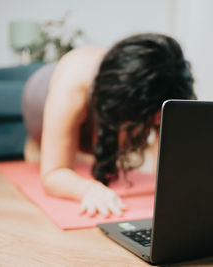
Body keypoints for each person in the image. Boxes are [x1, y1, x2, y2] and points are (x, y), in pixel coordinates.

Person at [22, 33, 196, 218]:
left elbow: (166, 177)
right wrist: (88, 189)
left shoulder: (163, 84)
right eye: (153, 118)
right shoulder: (72, 84)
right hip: (37, 103)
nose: (157, 123)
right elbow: (53, 174)